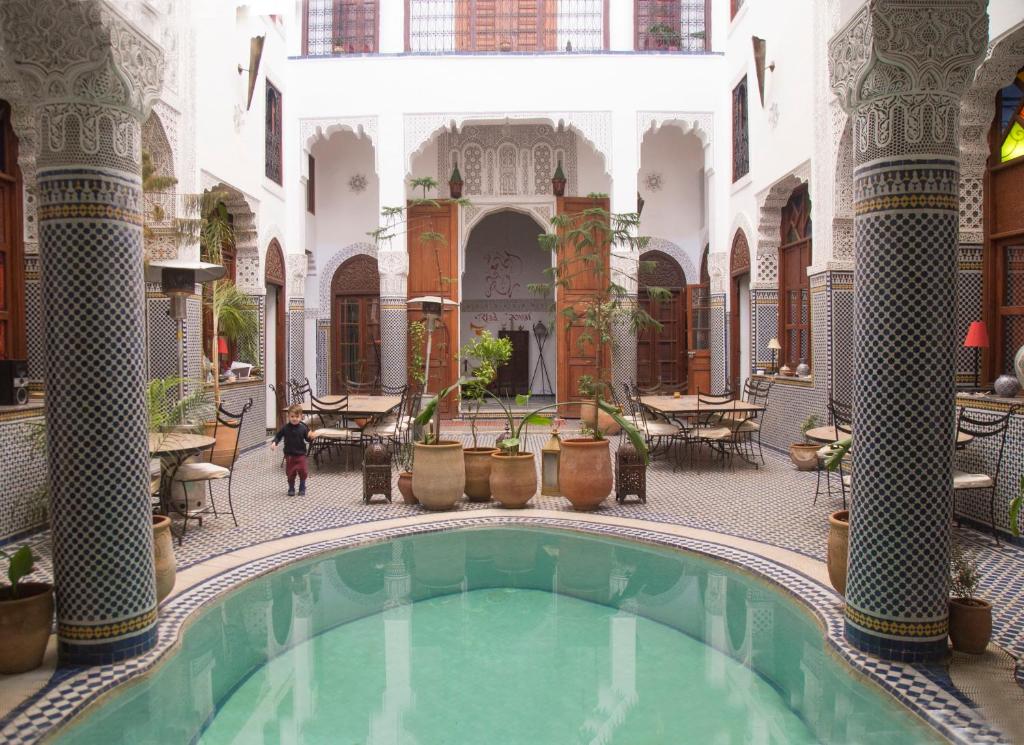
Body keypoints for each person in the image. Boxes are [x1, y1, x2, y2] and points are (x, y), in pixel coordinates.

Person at [271, 403, 318, 496]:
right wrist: (274, 442)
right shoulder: (285, 428)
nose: (294, 418)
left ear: (301, 417)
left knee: (303, 471)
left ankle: (302, 486)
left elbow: (307, 438)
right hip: (290, 455)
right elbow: (278, 436)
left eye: (297, 416)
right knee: (290, 473)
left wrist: (311, 437)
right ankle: (291, 487)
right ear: (288, 416)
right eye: (292, 416)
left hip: (301, 454)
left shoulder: (303, 427)